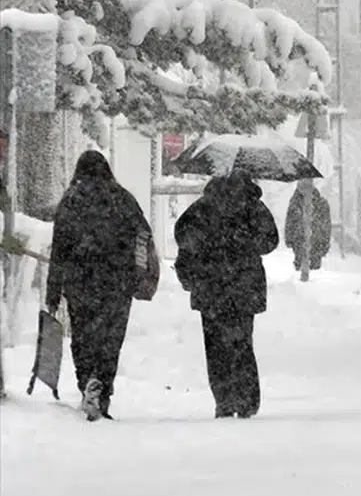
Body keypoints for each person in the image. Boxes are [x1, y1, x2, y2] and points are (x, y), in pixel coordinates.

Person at [44, 150, 152, 421]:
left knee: (83, 336)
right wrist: (137, 270)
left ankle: (87, 383)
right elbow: (143, 232)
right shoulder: (123, 198)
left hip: (79, 281)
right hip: (117, 281)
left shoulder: (71, 200)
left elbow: (59, 249)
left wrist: (53, 291)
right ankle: (102, 388)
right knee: (110, 339)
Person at [175, 171, 279, 418]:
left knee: (215, 346)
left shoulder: (203, 207)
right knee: (242, 343)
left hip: (211, 286)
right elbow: (271, 241)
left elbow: (183, 236)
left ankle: (224, 399)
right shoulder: (254, 207)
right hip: (244, 286)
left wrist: (201, 258)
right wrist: (242, 242)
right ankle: (247, 400)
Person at [284, 181, 332, 272]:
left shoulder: (321, 203)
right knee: (301, 269)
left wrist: (325, 243)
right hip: (301, 241)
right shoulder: (294, 203)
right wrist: (290, 239)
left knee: (314, 272)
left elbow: (326, 226)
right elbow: (290, 222)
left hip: (315, 243)